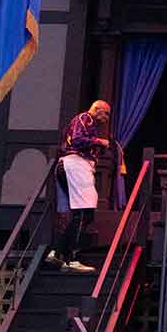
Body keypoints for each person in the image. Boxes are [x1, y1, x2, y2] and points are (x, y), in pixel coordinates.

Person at [49, 99, 113, 271]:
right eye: (105, 113)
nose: (106, 118)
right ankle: (73, 259)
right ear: (97, 109)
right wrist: (100, 142)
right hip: (76, 165)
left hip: (68, 166)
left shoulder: (84, 122)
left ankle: (57, 252)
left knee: (79, 214)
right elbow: (77, 139)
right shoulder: (85, 118)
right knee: (86, 212)